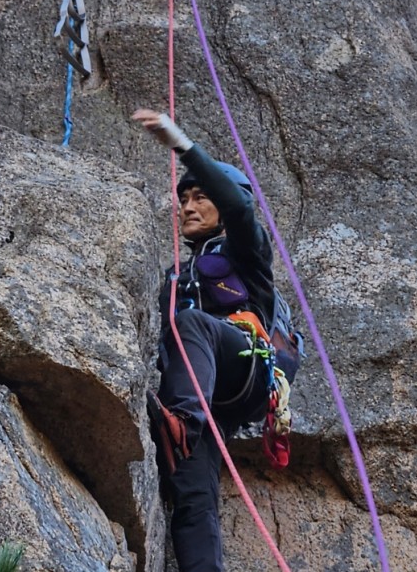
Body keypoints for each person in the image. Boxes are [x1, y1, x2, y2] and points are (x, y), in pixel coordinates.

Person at [132, 107, 275, 572]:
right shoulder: (177, 274)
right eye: (184, 199)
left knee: (191, 324)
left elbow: (239, 207)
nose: (188, 207)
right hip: (201, 395)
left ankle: (183, 424)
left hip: (242, 365)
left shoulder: (245, 251)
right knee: (192, 495)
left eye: (200, 197)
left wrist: (183, 145)